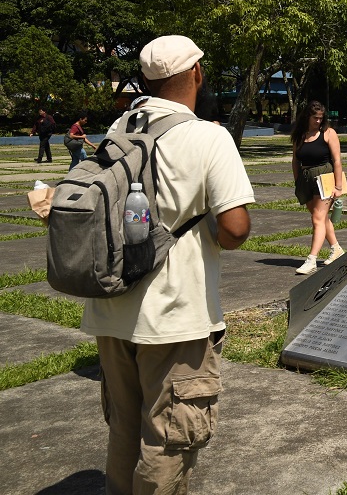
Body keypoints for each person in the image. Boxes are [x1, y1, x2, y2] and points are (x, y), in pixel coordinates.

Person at [81, 35, 254, 495]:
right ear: (196, 73)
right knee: (168, 440)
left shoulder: (119, 128)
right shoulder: (207, 136)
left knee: (123, 429)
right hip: (176, 317)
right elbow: (235, 228)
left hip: (111, 307)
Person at [290, 100, 346, 275]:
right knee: (321, 219)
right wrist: (297, 180)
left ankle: (311, 260)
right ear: (307, 116)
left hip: (325, 178)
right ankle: (336, 249)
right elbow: (295, 160)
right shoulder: (300, 135)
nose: (318, 121)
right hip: (306, 179)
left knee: (317, 218)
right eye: (315, 118)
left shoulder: (329, 133)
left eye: (321, 118)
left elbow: (337, 160)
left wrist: (338, 186)